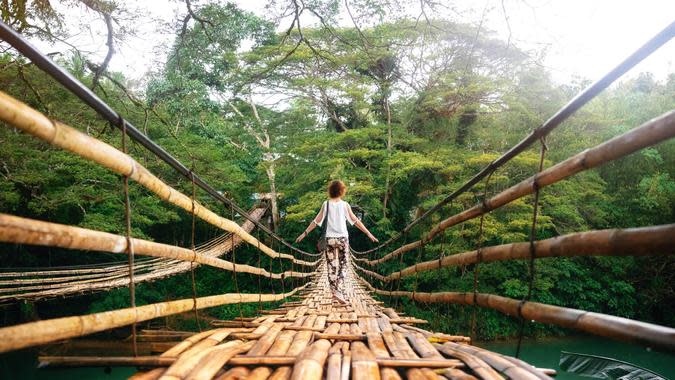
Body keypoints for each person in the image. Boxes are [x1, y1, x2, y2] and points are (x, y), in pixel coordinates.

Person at [295, 180, 378, 303]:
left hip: (329, 239)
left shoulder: (326, 204)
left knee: (331, 266)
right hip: (343, 239)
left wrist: (304, 233)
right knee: (344, 265)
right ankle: (338, 291)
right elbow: (355, 221)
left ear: (330, 191)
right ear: (341, 191)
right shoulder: (345, 205)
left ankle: (335, 292)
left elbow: (316, 221)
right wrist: (368, 233)